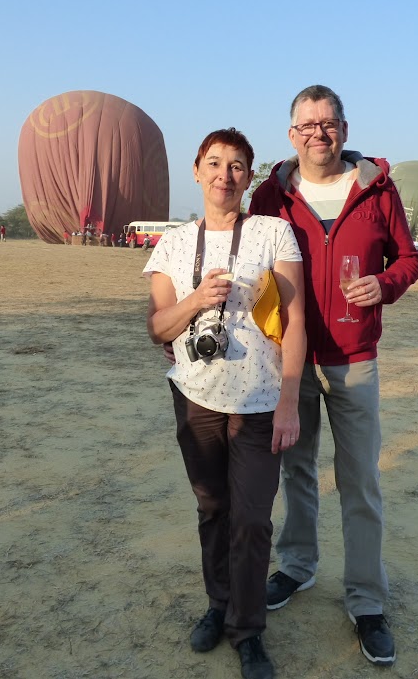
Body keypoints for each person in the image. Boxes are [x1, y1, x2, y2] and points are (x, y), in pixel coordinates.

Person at [249, 85, 418, 667]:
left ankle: (367, 600)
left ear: (344, 131)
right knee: (296, 470)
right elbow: (249, 265)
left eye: (328, 123)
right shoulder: (270, 196)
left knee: (359, 480)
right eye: (306, 124)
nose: (317, 133)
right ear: (291, 133)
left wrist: (386, 284)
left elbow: (408, 258)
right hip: (290, 360)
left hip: (353, 358)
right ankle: (296, 568)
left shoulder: (376, 189)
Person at [145, 128, 307, 679]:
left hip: (261, 401)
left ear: (249, 176)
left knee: (253, 519)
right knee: (212, 506)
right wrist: (196, 299)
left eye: (237, 165)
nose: (224, 174)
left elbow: (296, 319)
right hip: (196, 398)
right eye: (214, 163)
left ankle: (248, 629)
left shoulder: (272, 233)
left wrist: (290, 399)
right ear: (197, 171)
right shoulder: (171, 244)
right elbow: (158, 326)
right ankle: (218, 605)